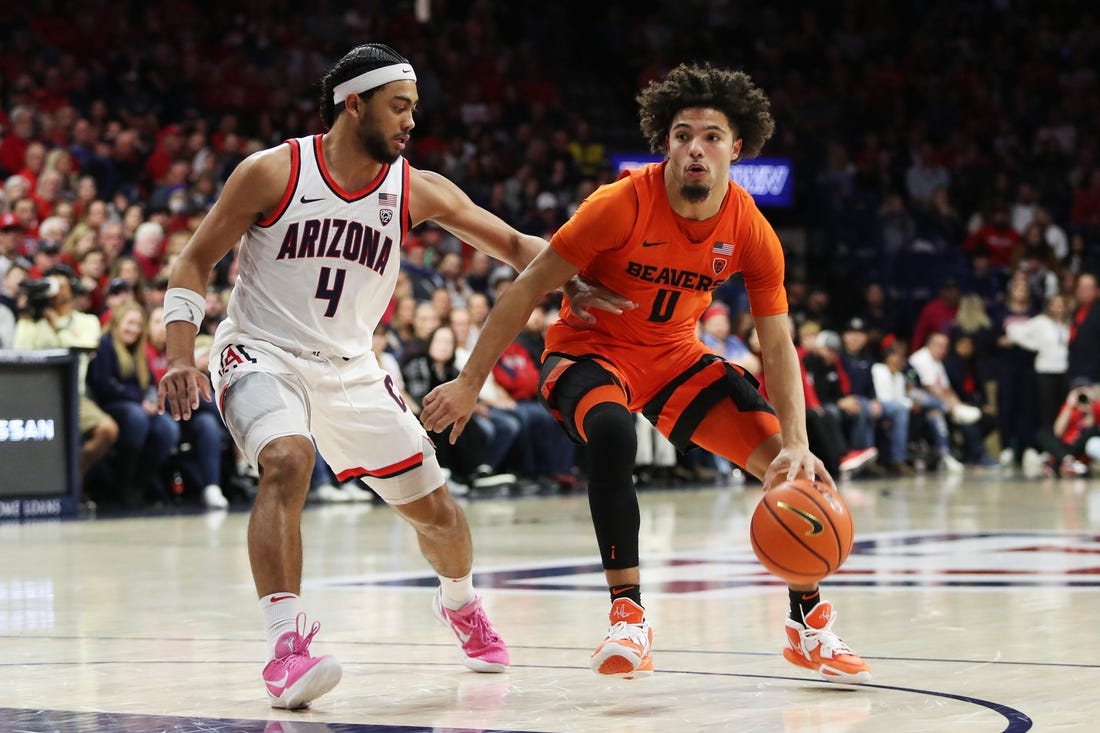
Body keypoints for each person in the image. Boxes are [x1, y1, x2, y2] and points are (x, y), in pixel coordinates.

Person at [157, 44, 624, 710]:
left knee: (439, 513)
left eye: (414, 109)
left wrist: (570, 278)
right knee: (289, 458)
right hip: (262, 350)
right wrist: (180, 354)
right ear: (355, 103)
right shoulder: (272, 172)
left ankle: (459, 603)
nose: (411, 122)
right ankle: (288, 651)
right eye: (399, 107)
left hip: (352, 370)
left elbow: (517, 245)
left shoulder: (412, 187)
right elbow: (192, 261)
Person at [421, 63, 870, 684]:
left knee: (787, 470)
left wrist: (796, 440)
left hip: (674, 359)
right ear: (666, 143)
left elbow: (777, 341)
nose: (696, 147)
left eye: (712, 136)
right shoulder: (619, 204)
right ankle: (627, 615)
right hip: (589, 351)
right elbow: (527, 287)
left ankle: (808, 624)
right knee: (612, 433)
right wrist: (470, 381)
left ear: (736, 149)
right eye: (683, 133)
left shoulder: (752, 231)